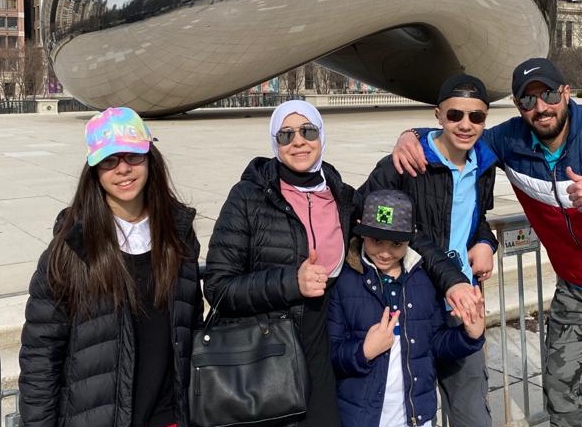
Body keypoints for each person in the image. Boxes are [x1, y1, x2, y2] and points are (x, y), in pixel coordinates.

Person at [392, 57, 582, 427]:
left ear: (565, 93)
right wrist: (411, 137)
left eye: (548, 94)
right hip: (578, 285)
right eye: (528, 100)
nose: (541, 107)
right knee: (558, 387)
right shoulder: (511, 140)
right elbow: (459, 133)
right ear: (518, 106)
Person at [18, 107, 202, 427]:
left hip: (169, 418)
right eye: (109, 160)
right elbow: (40, 361)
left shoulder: (178, 236)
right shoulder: (70, 250)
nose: (123, 170)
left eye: (133, 155)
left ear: (149, 157)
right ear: (94, 170)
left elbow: (189, 329)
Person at [203, 100, 357, 427]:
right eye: (286, 135)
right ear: (275, 143)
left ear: (321, 136)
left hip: (322, 354)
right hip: (267, 357)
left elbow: (395, 221)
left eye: (308, 131)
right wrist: (290, 282)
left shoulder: (342, 197)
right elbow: (218, 287)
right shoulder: (248, 196)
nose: (298, 141)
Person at [358, 73, 498, 427]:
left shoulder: (484, 164)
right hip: (411, 302)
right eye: (455, 115)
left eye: (476, 117)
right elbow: (367, 214)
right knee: (408, 412)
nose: (465, 125)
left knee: (471, 411)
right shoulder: (405, 162)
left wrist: (485, 241)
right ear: (438, 115)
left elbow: (475, 216)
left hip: (462, 304)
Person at [328, 189, 486, 427]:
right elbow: (330, 354)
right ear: (361, 231)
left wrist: (469, 335)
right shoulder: (344, 282)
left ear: (411, 237)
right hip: (362, 418)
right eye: (376, 240)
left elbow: (433, 344)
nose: (384, 252)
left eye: (396, 243)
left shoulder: (422, 279)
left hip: (416, 417)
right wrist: (363, 351)